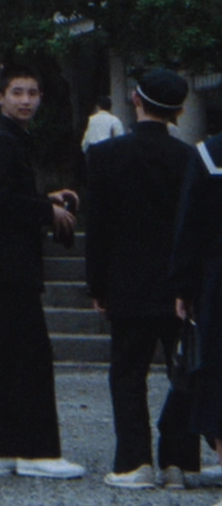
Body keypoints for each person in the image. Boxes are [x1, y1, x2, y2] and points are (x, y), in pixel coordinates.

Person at [0, 63, 84, 480]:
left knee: (9, 357)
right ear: (0, 98)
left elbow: (1, 197)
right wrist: (45, 210)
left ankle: (4, 449)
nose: (26, 100)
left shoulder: (6, 139)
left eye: (32, 92)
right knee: (28, 355)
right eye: (17, 92)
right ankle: (35, 451)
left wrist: (43, 199)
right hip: (4, 265)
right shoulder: (2, 141)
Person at [86, 69, 201, 488]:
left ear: (135, 99)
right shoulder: (190, 158)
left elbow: (97, 228)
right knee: (185, 371)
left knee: (128, 374)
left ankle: (135, 461)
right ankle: (179, 459)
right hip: (178, 284)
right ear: (180, 110)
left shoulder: (105, 156)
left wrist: (97, 284)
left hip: (127, 280)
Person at [171, 107, 222, 487]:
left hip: (217, 281)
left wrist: (184, 287)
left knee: (218, 370)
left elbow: (190, 224)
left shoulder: (210, 154)